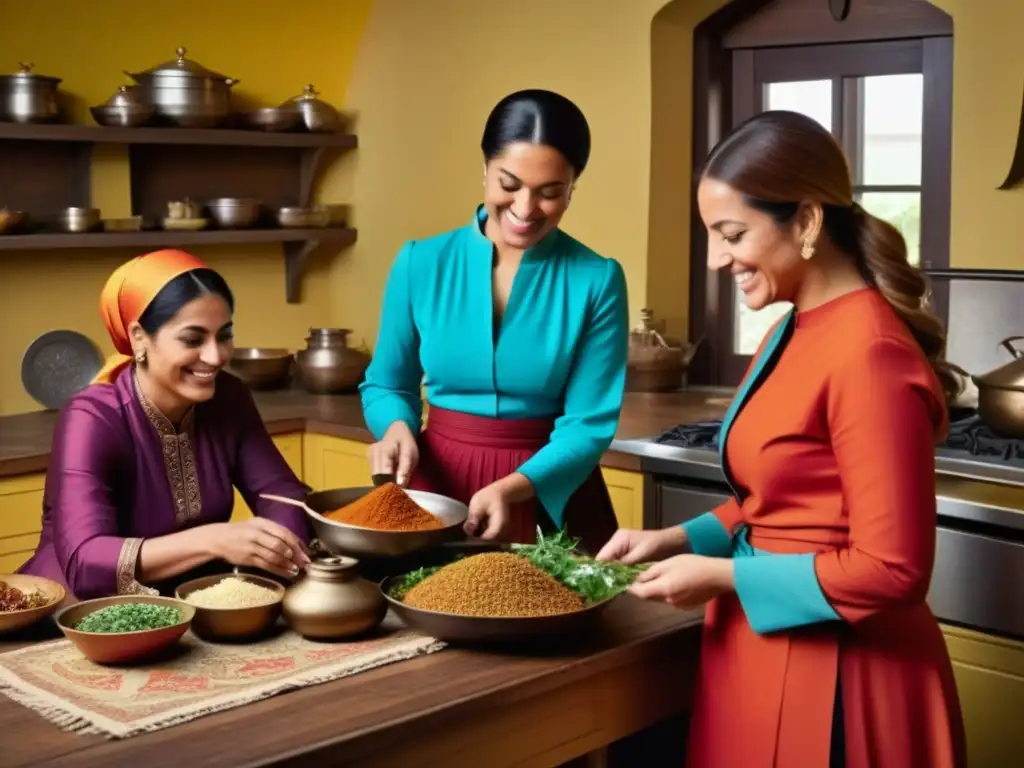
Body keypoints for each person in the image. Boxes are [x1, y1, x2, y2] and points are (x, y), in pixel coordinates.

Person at [598, 111, 966, 768]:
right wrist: (680, 540)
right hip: (758, 650)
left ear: (806, 221)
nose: (715, 258)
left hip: (843, 676)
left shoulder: (870, 354)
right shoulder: (792, 328)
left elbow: (894, 569)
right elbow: (781, 495)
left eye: (731, 233)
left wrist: (720, 576)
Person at [360, 89, 629, 552]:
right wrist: (397, 428)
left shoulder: (598, 279)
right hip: (435, 490)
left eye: (551, 193)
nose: (525, 210)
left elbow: (589, 425)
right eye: (509, 184)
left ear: (572, 187)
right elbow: (387, 385)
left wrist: (516, 487)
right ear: (485, 169)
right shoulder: (419, 263)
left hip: (550, 489)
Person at [19, 249, 310, 600]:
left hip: (189, 605)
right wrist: (215, 539)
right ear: (139, 337)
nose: (216, 356)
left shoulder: (229, 398)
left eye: (224, 335)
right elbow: (85, 562)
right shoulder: (91, 417)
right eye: (193, 339)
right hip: (74, 617)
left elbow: (284, 496)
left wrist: (280, 554)